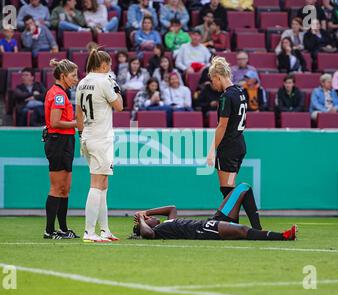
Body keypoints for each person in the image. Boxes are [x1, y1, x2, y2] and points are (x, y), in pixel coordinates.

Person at [132, 183, 297, 241]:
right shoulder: (156, 231)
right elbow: (147, 234)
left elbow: (172, 208)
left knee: (243, 188)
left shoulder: (168, 222)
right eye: (150, 219)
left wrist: (145, 211)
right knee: (242, 230)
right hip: (205, 230)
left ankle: (258, 231)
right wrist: (142, 220)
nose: (151, 217)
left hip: (211, 221)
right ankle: (282, 236)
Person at [75, 48, 124, 242]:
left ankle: (104, 230)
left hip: (87, 136)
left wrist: (82, 134)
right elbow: (119, 106)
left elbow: (78, 113)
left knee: (103, 184)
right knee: (96, 184)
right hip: (100, 137)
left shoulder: (82, 82)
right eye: (109, 65)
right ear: (103, 65)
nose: (110, 68)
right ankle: (89, 232)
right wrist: (116, 89)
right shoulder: (104, 81)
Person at [43, 59, 80, 240]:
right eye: (73, 75)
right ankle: (49, 231)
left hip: (65, 141)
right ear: (63, 76)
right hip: (58, 141)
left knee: (65, 188)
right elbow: (55, 122)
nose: (76, 79)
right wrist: (78, 123)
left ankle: (63, 229)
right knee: (57, 188)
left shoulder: (62, 93)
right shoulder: (58, 95)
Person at [206, 57, 247, 199]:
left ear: (217, 77)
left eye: (213, 80)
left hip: (228, 148)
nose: (213, 85)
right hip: (239, 145)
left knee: (227, 190)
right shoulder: (240, 92)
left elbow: (222, 126)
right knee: (230, 188)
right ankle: (232, 219)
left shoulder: (226, 97)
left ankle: (244, 218)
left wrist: (212, 150)